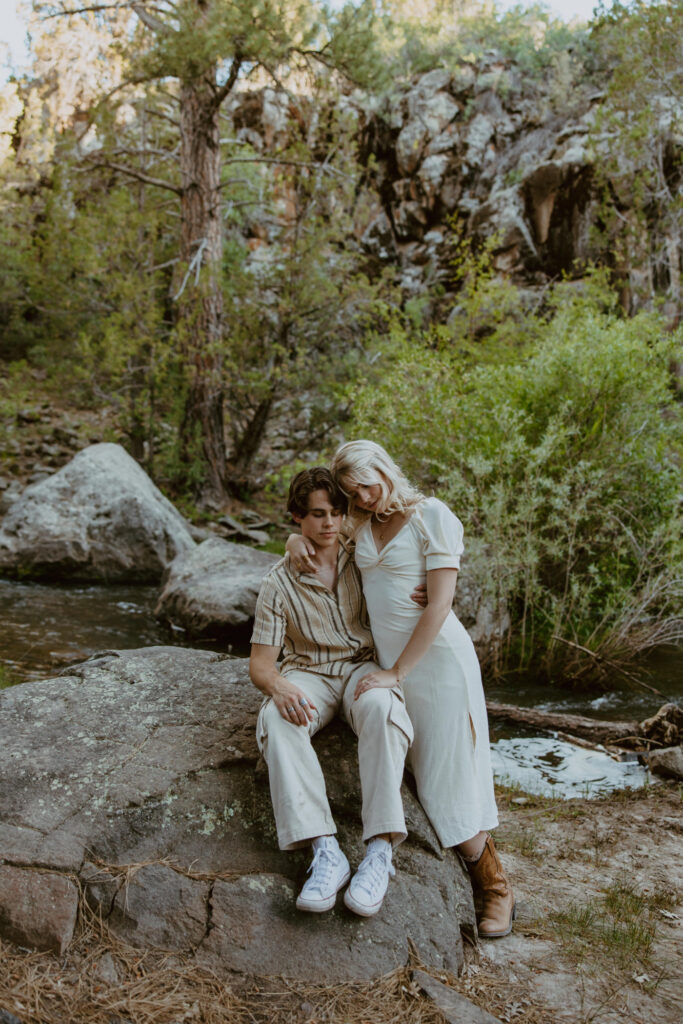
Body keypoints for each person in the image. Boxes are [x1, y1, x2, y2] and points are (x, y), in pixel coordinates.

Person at [287, 441, 514, 938]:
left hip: (435, 663)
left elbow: (438, 605)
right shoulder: (361, 525)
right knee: (412, 765)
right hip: (389, 663)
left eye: (369, 484)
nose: (364, 497)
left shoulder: (431, 514)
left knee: (444, 776)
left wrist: (396, 674)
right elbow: (317, 534)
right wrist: (292, 542)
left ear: (387, 470)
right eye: (353, 492)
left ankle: (494, 886)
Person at [250, 466, 422, 918]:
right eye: (318, 515)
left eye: (337, 513)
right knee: (276, 718)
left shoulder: (361, 550)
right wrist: (279, 686)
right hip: (310, 675)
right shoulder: (277, 582)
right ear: (296, 518)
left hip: (365, 669)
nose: (330, 523)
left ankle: (380, 851)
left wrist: (422, 585)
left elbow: (402, 533)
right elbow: (261, 666)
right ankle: (326, 852)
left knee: (384, 707)